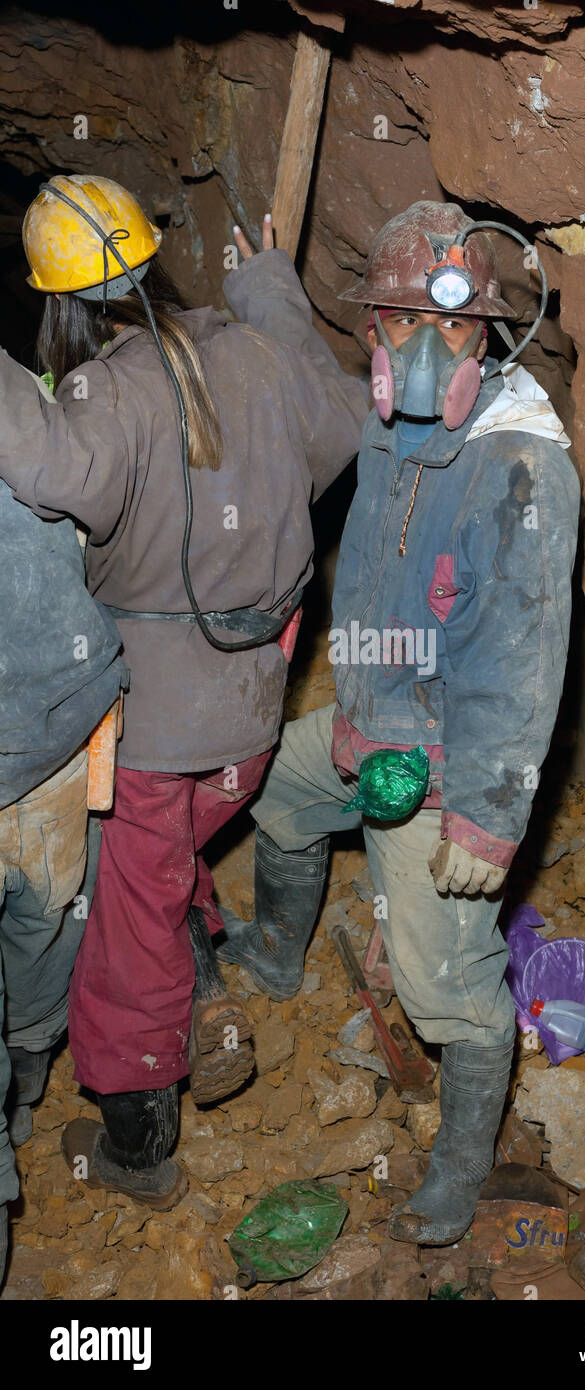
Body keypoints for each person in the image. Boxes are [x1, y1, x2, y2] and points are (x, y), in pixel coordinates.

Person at [0, 173, 368, 1209]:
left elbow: (50, 463)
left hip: (158, 738)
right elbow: (342, 416)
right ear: (153, 259)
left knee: (123, 944)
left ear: (57, 303)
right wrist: (270, 296)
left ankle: (141, 1143)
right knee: (173, 872)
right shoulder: (257, 355)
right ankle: (204, 975)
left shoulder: (101, 398)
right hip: (251, 716)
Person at [217, 201, 581, 1245]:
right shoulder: (386, 423)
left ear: (489, 334)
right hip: (368, 720)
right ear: (370, 328)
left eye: (454, 329)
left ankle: (458, 1174)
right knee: (271, 793)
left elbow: (520, 661)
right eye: (400, 323)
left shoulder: (519, 468)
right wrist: (263, 284)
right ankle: (280, 950)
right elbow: (298, 381)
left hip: (445, 763)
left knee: (445, 992)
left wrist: (485, 817)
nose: (423, 351)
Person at [0, 363, 126, 1279]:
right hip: (52, 737)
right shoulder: (33, 417)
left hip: (42, 737)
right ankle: (30, 1081)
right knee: (43, 919)